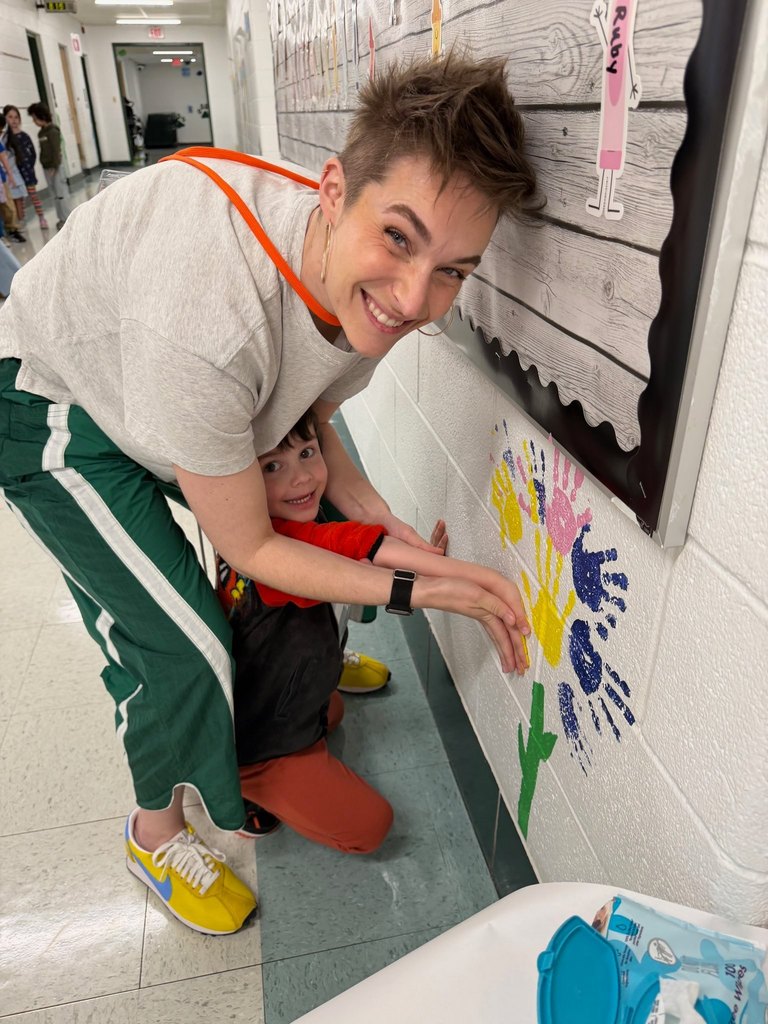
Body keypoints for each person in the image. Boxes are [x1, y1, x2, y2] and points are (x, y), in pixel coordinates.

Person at [0, 51, 538, 937]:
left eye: (454, 269)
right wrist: (423, 588)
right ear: (333, 192)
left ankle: (296, 678)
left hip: (156, 382)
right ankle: (153, 833)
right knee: (180, 642)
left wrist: (374, 512)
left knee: (312, 506)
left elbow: (311, 406)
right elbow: (251, 546)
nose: (413, 299)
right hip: (54, 403)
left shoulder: (356, 275)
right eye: (399, 240)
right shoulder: (210, 325)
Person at [217, 408, 522, 853]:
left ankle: (316, 698)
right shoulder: (277, 547)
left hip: (265, 690)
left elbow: (352, 562)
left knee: (332, 710)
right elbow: (359, 545)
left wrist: (426, 569)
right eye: (272, 466)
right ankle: (246, 781)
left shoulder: (251, 527)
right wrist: (455, 578)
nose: (301, 478)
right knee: (371, 828)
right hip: (263, 738)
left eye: (307, 452)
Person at [2, 105, 49, 231]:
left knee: (34, 196)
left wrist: (29, 168)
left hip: (27, 173)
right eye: (10, 117)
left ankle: (42, 218)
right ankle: (21, 220)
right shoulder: (5, 139)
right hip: (15, 175)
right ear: (5, 119)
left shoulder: (25, 136)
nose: (14, 120)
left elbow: (32, 154)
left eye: (16, 117)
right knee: (19, 200)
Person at [26, 101, 72, 229]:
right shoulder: (41, 133)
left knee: (61, 194)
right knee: (55, 195)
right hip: (47, 168)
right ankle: (61, 218)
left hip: (55, 168)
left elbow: (56, 151)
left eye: (35, 118)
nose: (34, 121)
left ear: (42, 116)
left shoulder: (53, 131)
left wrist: (55, 167)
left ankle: (67, 219)